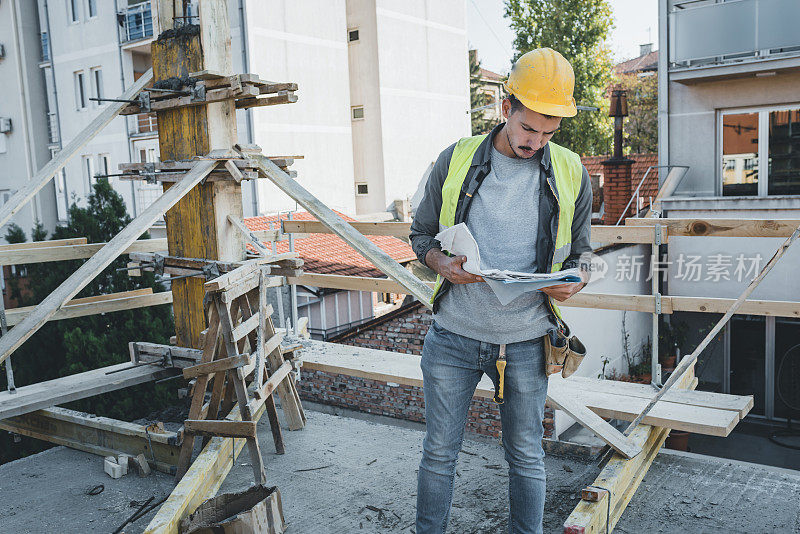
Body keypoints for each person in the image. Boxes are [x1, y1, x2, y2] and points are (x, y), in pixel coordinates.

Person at [409, 48, 593, 534]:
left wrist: (577, 279)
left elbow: (584, 254)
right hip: (453, 336)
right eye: (529, 129)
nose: (537, 143)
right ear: (505, 107)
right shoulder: (456, 159)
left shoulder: (572, 171)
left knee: (527, 458)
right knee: (438, 455)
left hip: (529, 341)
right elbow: (421, 237)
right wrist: (442, 264)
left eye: (549, 133)